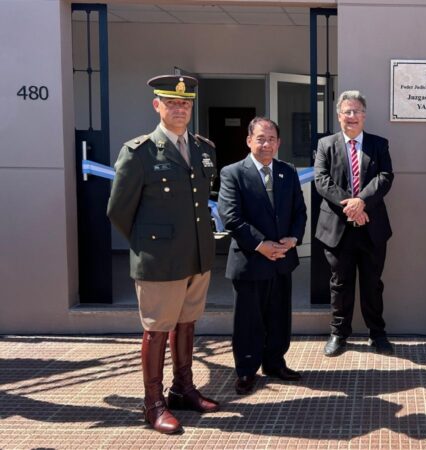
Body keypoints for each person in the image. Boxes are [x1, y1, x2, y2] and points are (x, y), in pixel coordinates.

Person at [107, 75, 219, 434]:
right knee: (156, 330)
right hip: (160, 260)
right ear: (157, 105)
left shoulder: (204, 148)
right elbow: (119, 211)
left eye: (185, 103)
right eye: (172, 102)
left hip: (197, 256)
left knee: (187, 322)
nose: (179, 108)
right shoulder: (138, 152)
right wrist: (150, 247)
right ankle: (152, 403)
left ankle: (182, 389)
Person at [217, 118, 307, 395]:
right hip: (250, 260)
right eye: (261, 138)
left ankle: (274, 363)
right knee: (248, 320)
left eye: (271, 139)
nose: (266, 144)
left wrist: (293, 239)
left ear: (279, 143)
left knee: (279, 316)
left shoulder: (287, 171)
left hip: (282, 259)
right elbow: (230, 217)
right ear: (249, 141)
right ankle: (246, 371)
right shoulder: (232, 173)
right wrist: (261, 245)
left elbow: (299, 211)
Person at [314, 90, 394, 357]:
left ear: (364, 115)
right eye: (347, 111)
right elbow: (321, 180)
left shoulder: (379, 144)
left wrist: (362, 201)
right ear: (339, 116)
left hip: (372, 227)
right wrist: (351, 204)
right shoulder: (326, 145)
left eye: (356, 111)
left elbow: (385, 177)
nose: (352, 116)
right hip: (337, 228)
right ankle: (338, 333)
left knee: (373, 283)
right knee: (340, 283)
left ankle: (377, 333)